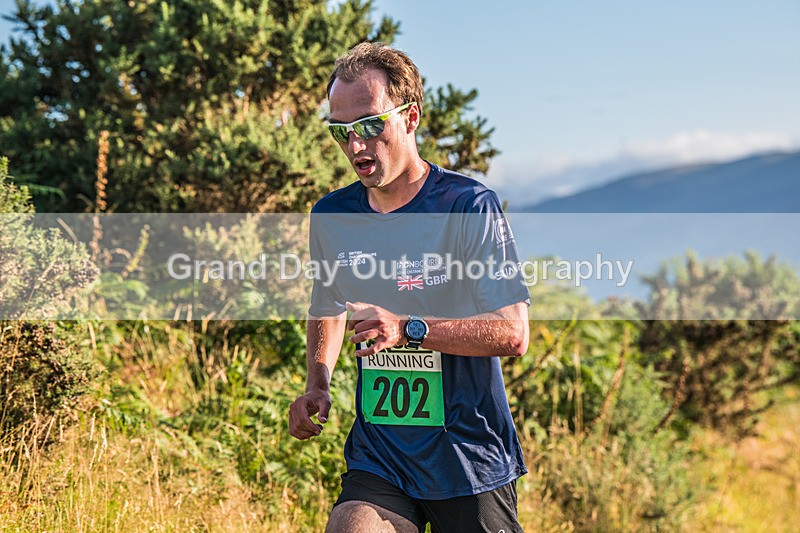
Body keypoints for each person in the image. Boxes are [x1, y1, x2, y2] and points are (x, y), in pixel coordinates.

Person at [288, 42, 531, 533]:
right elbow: (328, 303)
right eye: (342, 131)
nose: (356, 145)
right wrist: (318, 381)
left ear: (410, 117)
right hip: (382, 457)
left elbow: (513, 334)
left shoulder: (467, 206)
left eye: (370, 125)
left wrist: (408, 328)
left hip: (468, 457)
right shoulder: (332, 215)